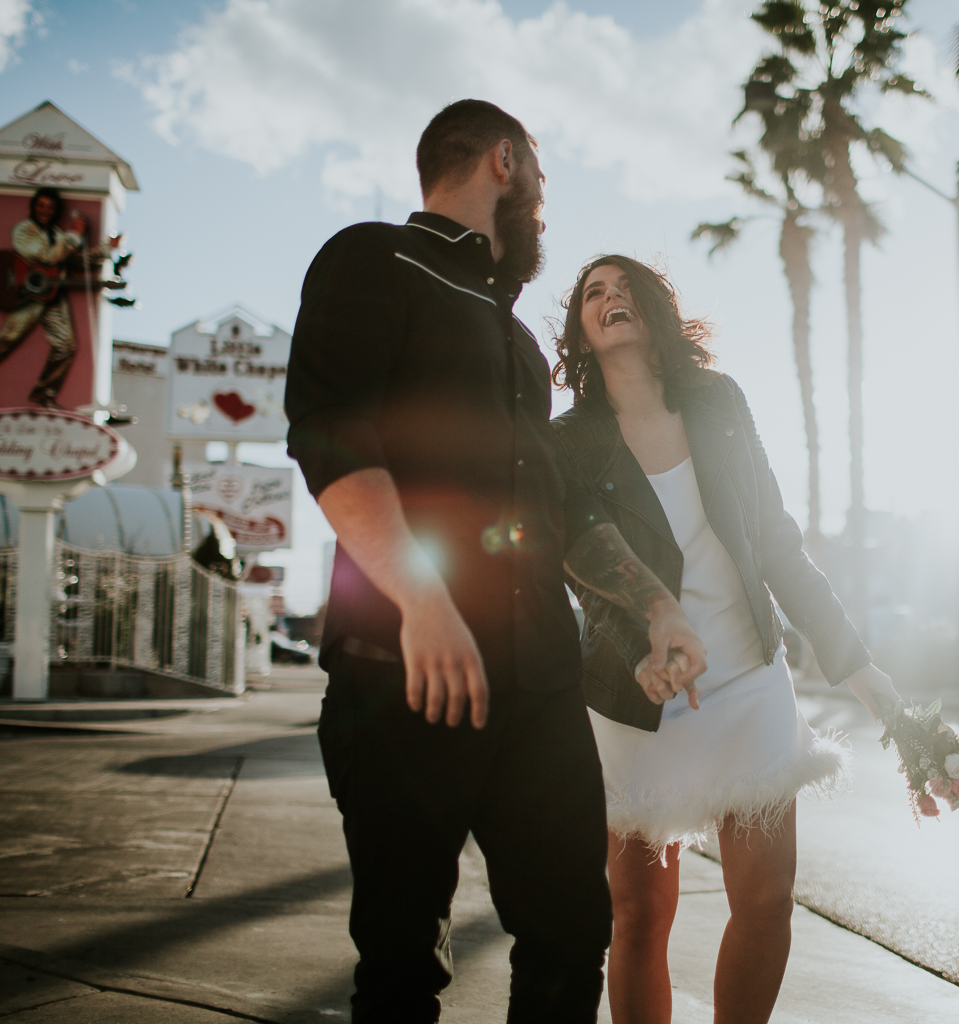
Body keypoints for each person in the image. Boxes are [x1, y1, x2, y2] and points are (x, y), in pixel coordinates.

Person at [284, 101, 705, 1023]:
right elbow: (329, 437)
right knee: (402, 962)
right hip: (399, 674)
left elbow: (554, 520)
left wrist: (656, 607)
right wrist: (422, 601)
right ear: (504, 163)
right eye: (542, 187)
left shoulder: (519, 345)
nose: (545, 213)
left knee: (570, 933)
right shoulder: (371, 259)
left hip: (537, 688)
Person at [550, 254, 903, 1023]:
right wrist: (642, 651)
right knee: (641, 913)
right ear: (580, 327)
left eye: (623, 287)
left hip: (750, 679)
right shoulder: (571, 440)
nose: (609, 299)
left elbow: (777, 542)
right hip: (637, 696)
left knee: (768, 896)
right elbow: (583, 565)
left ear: (654, 307)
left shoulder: (718, 402)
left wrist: (862, 672)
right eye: (592, 294)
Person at [0, 187, 114, 408]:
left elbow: (75, 261)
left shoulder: (57, 235)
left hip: (51, 293)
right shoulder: (24, 230)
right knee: (8, 338)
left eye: (50, 207)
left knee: (66, 345)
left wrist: (107, 250)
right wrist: (75, 235)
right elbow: (47, 257)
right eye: (41, 205)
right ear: (33, 206)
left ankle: (44, 392)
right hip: (26, 294)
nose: (45, 211)